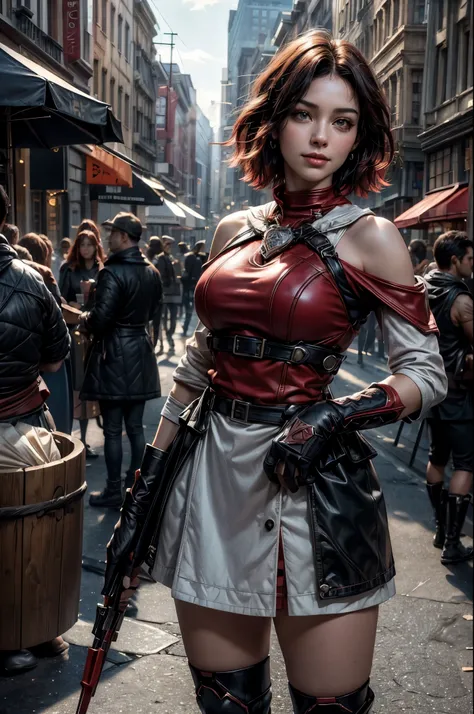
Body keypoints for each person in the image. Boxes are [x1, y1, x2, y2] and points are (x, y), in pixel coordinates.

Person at [105, 31, 448, 713]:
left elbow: (425, 371)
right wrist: (145, 485)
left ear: (361, 135)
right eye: (304, 114)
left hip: (317, 492)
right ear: (275, 118)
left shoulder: (371, 236)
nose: (321, 137)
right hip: (212, 485)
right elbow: (203, 361)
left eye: (342, 121)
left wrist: (340, 412)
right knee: (226, 704)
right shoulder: (232, 230)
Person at [0, 185, 71, 675]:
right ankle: (42, 631)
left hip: (16, 428)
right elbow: (55, 354)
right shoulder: (33, 278)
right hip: (29, 429)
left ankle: (10, 643)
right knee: (38, 535)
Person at [79, 212, 162, 508]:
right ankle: (133, 487)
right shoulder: (151, 271)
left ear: (124, 237)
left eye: (113, 233)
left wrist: (86, 318)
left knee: (114, 428)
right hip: (139, 349)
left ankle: (115, 490)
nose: (108, 237)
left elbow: (101, 320)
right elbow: (153, 311)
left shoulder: (112, 272)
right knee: (136, 427)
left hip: (114, 353)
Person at [424, 231, 473, 565]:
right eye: (470, 258)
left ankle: (441, 529)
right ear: (455, 260)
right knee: (466, 463)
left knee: (437, 456)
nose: (472, 264)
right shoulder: (461, 300)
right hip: (459, 389)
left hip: (430, 387)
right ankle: (453, 544)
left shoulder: (423, 287)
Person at [59, 229, 106, 457]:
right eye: (82, 244)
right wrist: (71, 304)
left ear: (96, 246)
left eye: (89, 244)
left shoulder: (103, 270)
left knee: (94, 385)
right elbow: (60, 298)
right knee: (76, 386)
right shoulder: (69, 270)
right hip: (75, 334)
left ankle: (91, 437)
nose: (86, 248)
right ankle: (74, 440)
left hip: (96, 333)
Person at [156, 236, 182, 354]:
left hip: (173, 292)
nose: (169, 247)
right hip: (166, 293)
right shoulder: (161, 258)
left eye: (170, 245)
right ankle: (168, 339)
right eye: (167, 245)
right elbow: (161, 276)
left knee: (172, 318)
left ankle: (169, 336)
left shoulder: (170, 258)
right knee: (165, 318)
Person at [181, 240, 206, 336]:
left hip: (195, 287)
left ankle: (188, 329)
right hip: (191, 288)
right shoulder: (193, 257)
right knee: (190, 311)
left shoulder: (201, 257)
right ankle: (186, 329)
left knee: (194, 312)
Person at [147, 236, 165, 353]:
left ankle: (152, 345)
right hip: (160, 295)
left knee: (149, 322)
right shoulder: (162, 258)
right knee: (158, 323)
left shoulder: (148, 259)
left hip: (148, 294)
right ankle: (158, 344)